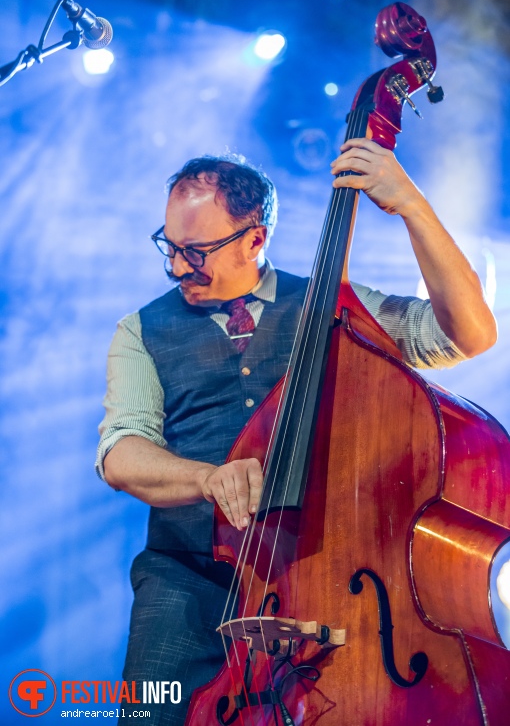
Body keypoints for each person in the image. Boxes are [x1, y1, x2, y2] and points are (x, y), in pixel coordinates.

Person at [96, 138, 497, 725]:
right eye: (171, 246)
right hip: (190, 585)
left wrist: (411, 205)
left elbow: (468, 335)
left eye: (196, 250)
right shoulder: (140, 330)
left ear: (255, 239)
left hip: (329, 586)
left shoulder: (336, 306)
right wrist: (207, 477)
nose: (178, 267)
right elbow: (120, 453)